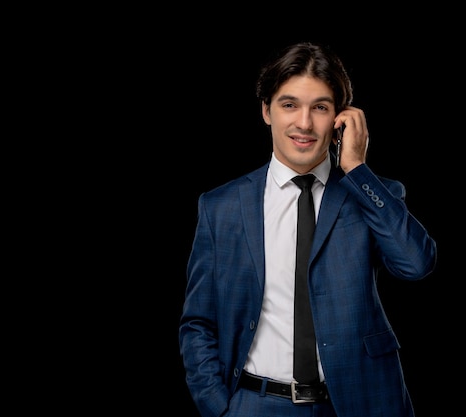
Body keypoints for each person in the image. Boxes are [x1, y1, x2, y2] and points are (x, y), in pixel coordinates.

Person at [178, 41, 437, 417]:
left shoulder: (370, 194)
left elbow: (416, 264)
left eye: (320, 107)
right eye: (289, 105)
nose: (304, 123)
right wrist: (219, 407)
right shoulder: (222, 207)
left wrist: (357, 169)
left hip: (363, 403)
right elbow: (198, 322)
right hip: (256, 404)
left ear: (340, 116)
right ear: (267, 111)